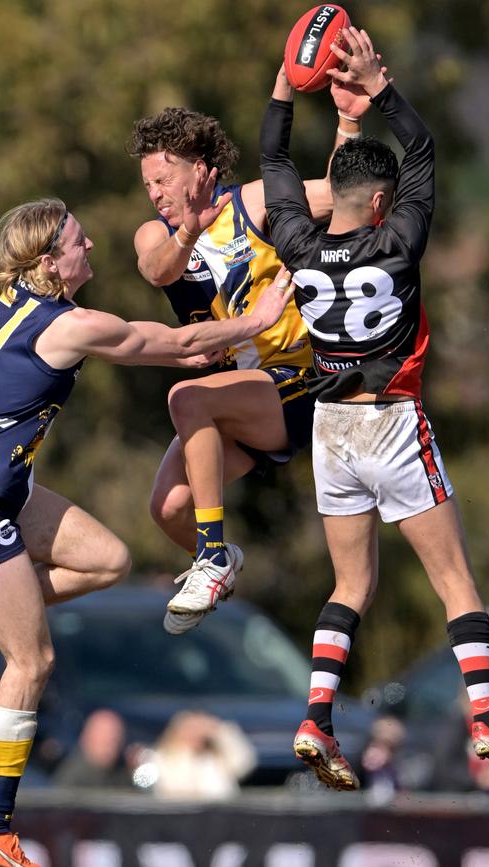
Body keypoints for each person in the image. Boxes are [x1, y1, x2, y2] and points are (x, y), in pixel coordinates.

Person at [0, 197, 293, 866]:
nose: (90, 247)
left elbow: (170, 351)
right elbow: (168, 345)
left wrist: (204, 345)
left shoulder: (22, 306)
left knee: (105, 557)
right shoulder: (65, 326)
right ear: (49, 260)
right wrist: (255, 323)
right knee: (32, 661)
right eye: (78, 242)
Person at [259, 27, 489, 791]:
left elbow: (275, 161)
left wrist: (288, 82)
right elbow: (423, 151)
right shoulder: (399, 240)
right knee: (454, 580)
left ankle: (316, 716)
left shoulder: (296, 240)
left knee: (350, 586)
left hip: (330, 429)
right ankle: (486, 716)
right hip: (393, 420)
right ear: (380, 202)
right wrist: (380, 90)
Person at [127, 92, 372, 635]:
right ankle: (221, 557)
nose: (155, 194)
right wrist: (188, 226)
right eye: (147, 184)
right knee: (167, 509)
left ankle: (211, 557)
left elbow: (340, 195)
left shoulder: (254, 203)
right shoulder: (158, 235)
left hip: (298, 384)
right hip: (233, 403)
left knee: (185, 397)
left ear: (200, 168)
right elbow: (157, 270)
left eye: (163, 180)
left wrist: (349, 119)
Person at [148, 710, 256, 800]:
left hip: (220, 815)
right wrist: (186, 752)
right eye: (191, 729)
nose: (196, 734)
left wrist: (221, 731)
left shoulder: (214, 758)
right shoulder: (163, 758)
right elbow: (171, 786)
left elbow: (244, 762)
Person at [52, 709, 134, 789]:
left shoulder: (121, 772)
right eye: (104, 741)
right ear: (87, 739)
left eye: (115, 740)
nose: (110, 748)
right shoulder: (73, 778)